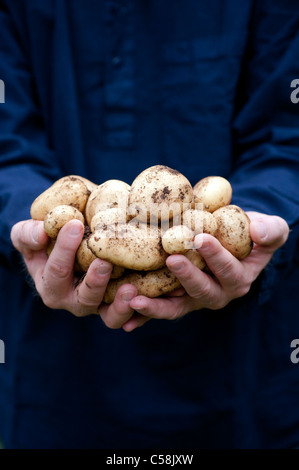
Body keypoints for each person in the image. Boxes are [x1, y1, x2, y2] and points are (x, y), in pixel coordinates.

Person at [0, 0, 298, 449]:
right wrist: (27, 222)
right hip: (55, 369)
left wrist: (253, 220)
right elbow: (7, 141)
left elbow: (287, 134)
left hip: (241, 363)